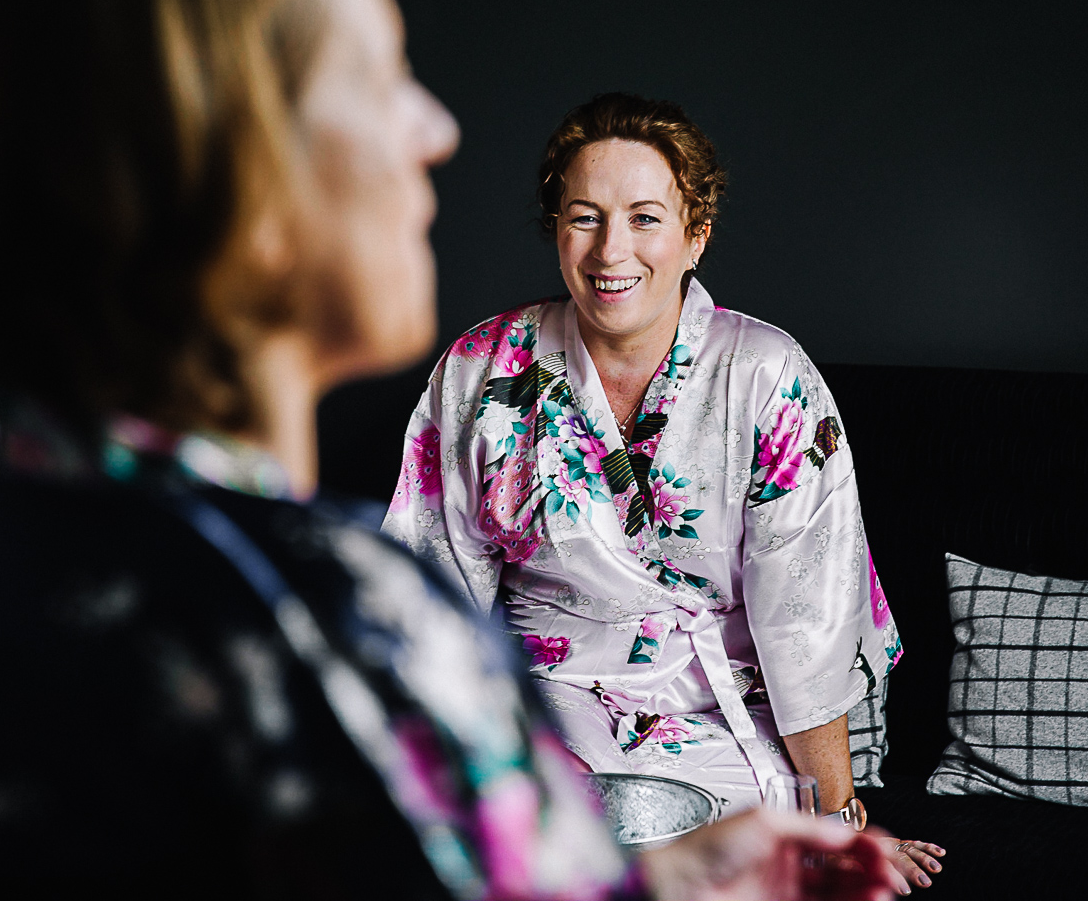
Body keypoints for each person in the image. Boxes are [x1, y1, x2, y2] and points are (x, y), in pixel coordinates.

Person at [0, 0, 894, 899]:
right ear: (237, 173)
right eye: (381, 75)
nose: (435, 129)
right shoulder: (338, 626)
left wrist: (657, 873)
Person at [383, 94, 945, 892]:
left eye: (646, 218)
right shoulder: (483, 368)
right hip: (546, 703)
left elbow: (807, 623)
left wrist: (837, 820)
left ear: (695, 236)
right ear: (556, 229)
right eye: (585, 216)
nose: (613, 250)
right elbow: (429, 592)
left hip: (727, 709)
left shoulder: (766, 378)